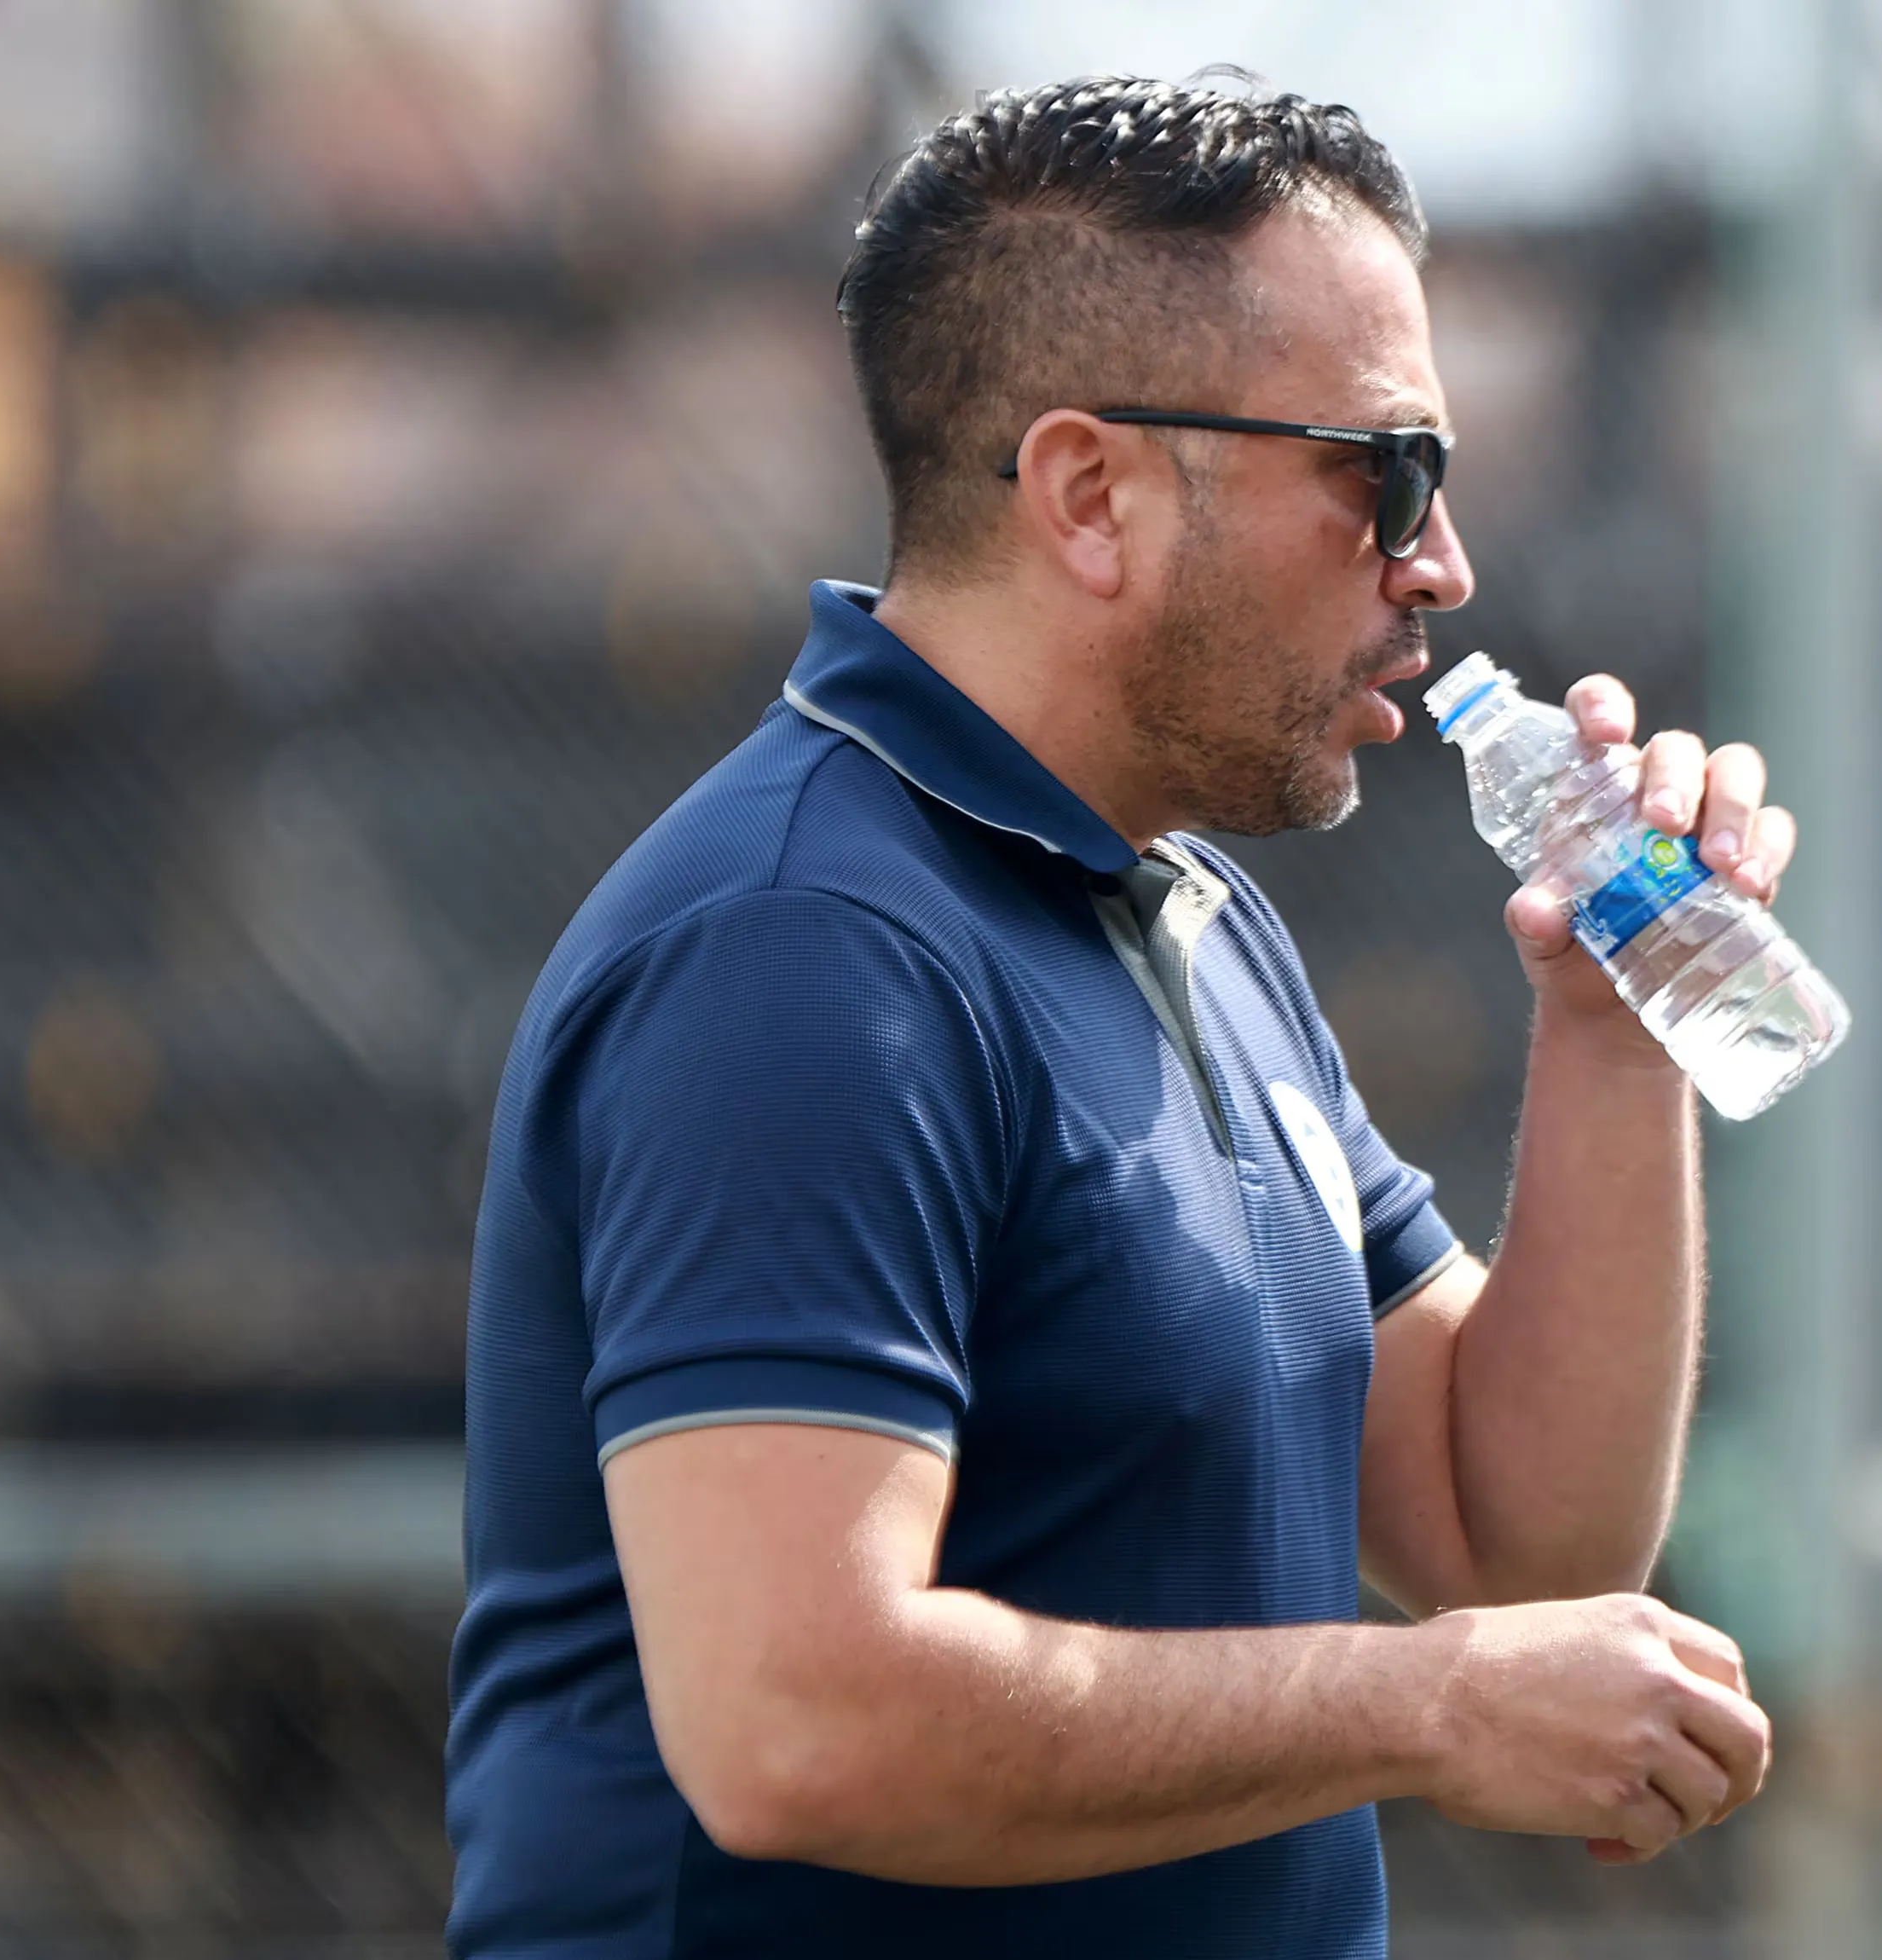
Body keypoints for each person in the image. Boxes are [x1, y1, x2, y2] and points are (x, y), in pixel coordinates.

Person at [444, 74, 1798, 1958]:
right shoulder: (804, 951)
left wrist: (1606, 1031)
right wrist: (1420, 1707)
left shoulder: (1184, 911)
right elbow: (793, 1726)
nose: (1441, 564)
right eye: (1383, 472)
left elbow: (1519, 1544)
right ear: (1092, 495)